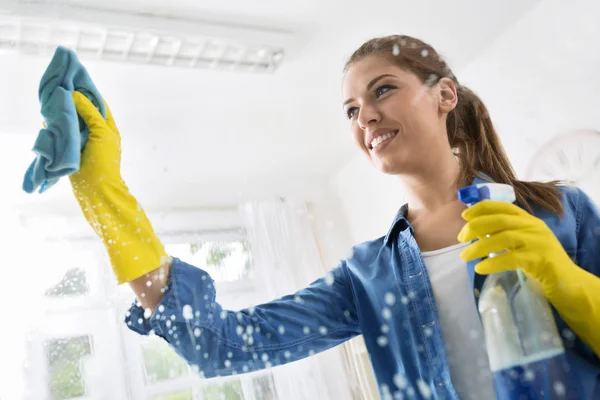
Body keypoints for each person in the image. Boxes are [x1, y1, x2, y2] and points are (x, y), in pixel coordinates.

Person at [68, 35, 600, 399]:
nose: (364, 115)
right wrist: (108, 199)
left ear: (445, 95)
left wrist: (567, 280)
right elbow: (225, 345)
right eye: (350, 110)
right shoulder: (367, 277)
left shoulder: (562, 213)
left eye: (383, 89)